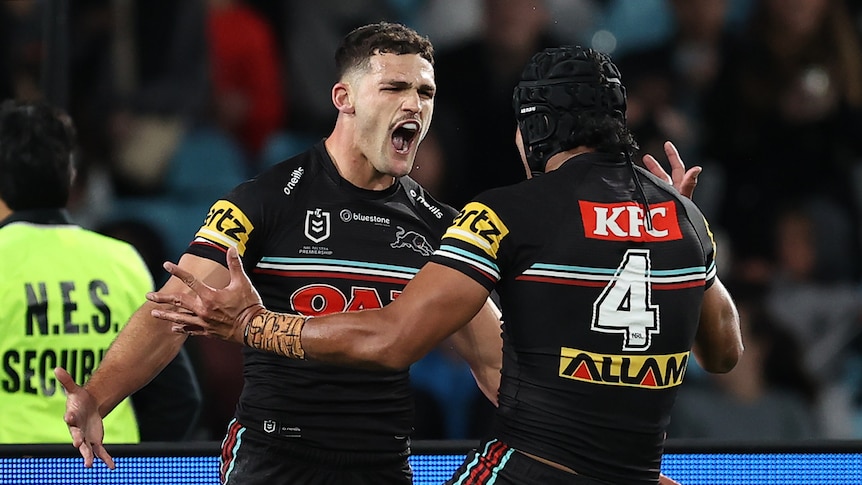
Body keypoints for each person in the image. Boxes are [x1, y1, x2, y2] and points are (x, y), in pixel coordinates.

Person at [148, 46, 743, 484]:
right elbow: (723, 354)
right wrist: (691, 232)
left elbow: (391, 339)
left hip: (529, 472)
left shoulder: (505, 213)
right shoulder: (686, 220)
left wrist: (253, 325)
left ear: (533, 129)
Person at [56, 21, 504, 484]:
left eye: (425, 92)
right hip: (273, 461)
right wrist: (97, 396)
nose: (414, 103)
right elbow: (173, 311)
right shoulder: (265, 201)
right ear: (344, 99)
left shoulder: (441, 226)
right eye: (394, 87)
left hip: (381, 465)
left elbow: (495, 364)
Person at [0, 99, 201, 444]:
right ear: (71, 177)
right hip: (106, 470)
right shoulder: (122, 260)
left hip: (13, 469)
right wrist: (123, 466)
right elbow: (179, 400)